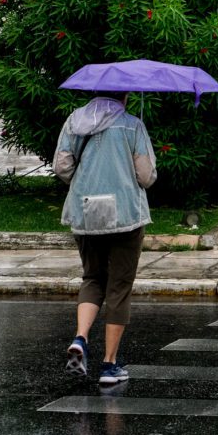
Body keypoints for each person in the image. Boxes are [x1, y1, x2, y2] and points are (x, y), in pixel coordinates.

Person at [53, 92, 157, 385]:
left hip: (85, 211)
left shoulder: (74, 121)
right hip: (126, 214)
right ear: (123, 96)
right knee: (120, 286)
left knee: (93, 277)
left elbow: (62, 167)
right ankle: (109, 365)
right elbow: (145, 176)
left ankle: (81, 337)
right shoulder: (132, 125)